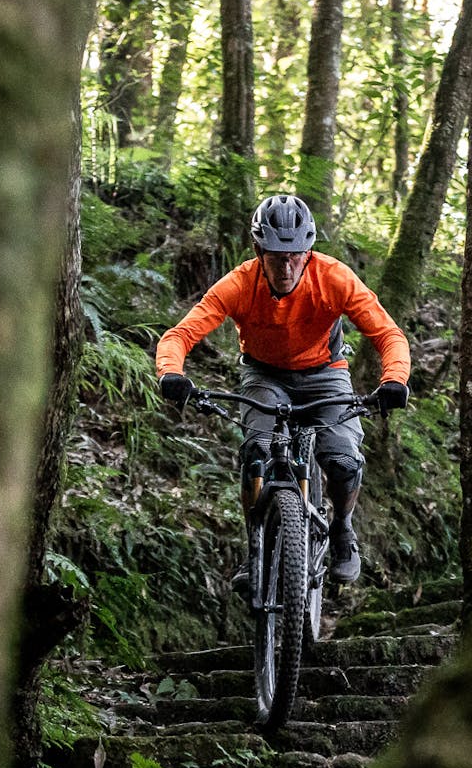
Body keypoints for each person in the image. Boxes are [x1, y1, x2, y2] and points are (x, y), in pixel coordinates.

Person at [156, 193, 410, 586]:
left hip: (325, 374)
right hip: (265, 377)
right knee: (257, 452)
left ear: (309, 251)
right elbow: (181, 334)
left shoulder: (334, 278)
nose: (287, 266)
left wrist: (394, 380)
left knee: (342, 460)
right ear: (258, 250)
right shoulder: (239, 283)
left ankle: (342, 528)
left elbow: (387, 333)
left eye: (297, 255)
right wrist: (171, 372)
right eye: (276, 256)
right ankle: (253, 549)